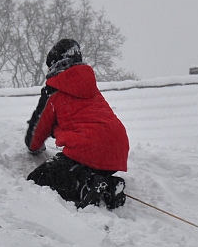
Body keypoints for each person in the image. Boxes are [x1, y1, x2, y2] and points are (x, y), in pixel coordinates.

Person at [25, 38, 130, 209]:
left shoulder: (53, 91)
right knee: (86, 167)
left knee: (39, 178)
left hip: (89, 150)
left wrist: (33, 147)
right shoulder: (90, 86)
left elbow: (37, 132)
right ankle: (109, 186)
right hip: (117, 150)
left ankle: (86, 185)